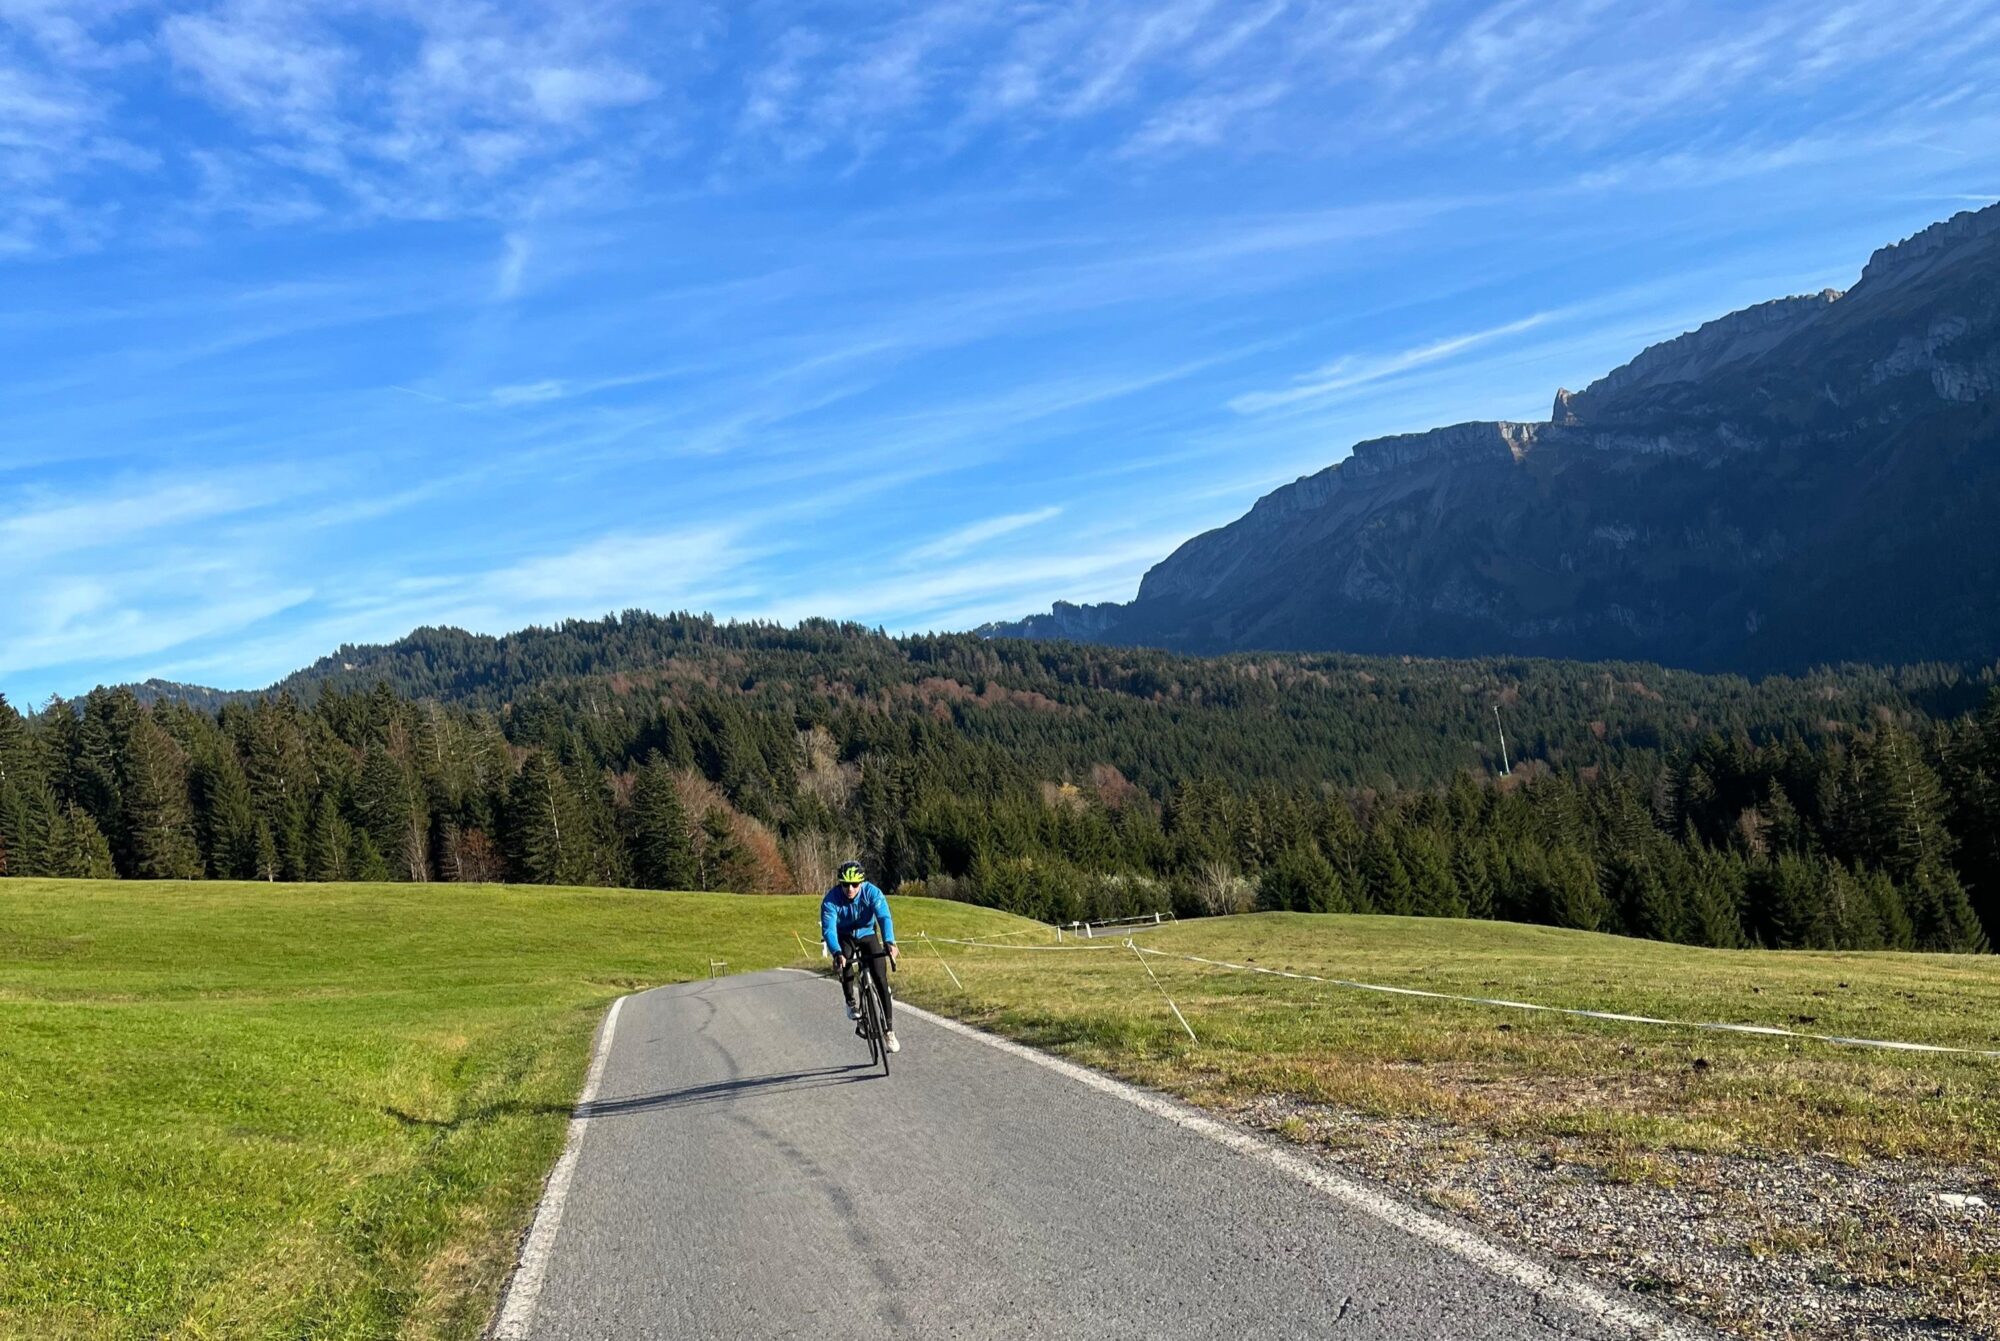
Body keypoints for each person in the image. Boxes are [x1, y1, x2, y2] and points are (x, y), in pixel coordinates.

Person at [821, 861, 901, 1054]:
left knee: (881, 979)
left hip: (867, 933)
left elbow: (883, 917)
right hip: (845, 936)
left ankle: (889, 1031)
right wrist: (836, 952)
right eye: (845, 884)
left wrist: (889, 942)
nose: (850, 889)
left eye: (855, 885)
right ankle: (850, 1001)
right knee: (845, 960)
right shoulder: (831, 900)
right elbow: (829, 929)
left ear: (862, 883)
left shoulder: (872, 893)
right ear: (840, 883)